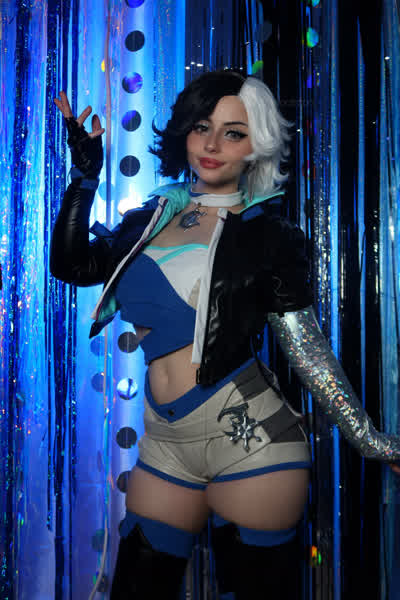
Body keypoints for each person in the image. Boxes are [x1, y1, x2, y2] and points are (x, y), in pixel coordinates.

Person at [52, 70, 400, 600]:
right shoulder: (149, 218)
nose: (212, 144)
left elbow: (307, 351)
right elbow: (72, 265)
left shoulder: (269, 237)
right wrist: (84, 177)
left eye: (233, 133)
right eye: (202, 127)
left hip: (252, 441)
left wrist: (368, 439)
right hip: (165, 444)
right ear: (184, 133)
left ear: (257, 145)